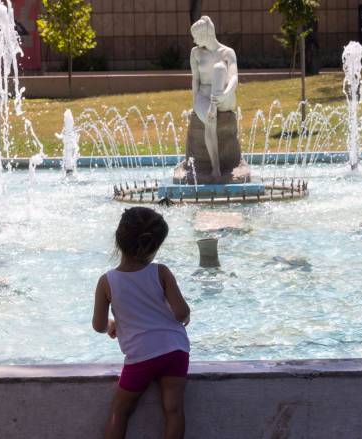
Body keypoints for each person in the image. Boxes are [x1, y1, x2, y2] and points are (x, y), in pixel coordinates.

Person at [92, 207, 191, 439]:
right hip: (174, 350)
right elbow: (181, 313)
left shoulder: (107, 282)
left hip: (140, 357)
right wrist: (184, 317)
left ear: (119, 240)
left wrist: (111, 324)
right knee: (174, 409)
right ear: (153, 247)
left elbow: (98, 325)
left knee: (120, 411)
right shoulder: (161, 272)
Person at [190, 16, 239, 179]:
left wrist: (225, 94)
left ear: (205, 35)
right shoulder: (195, 53)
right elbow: (195, 80)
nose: (194, 40)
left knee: (219, 67)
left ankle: (214, 104)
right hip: (204, 96)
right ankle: (215, 167)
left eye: (196, 36)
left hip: (224, 95)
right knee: (210, 119)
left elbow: (234, 78)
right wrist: (195, 104)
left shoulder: (227, 52)